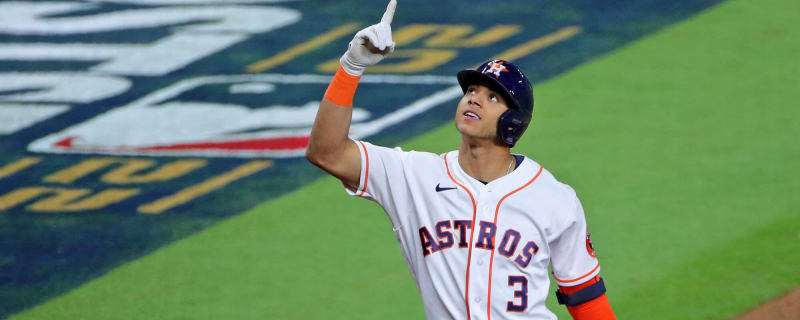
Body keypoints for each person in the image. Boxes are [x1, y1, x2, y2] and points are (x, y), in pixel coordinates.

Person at [306, 1, 616, 319]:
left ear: (513, 123)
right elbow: (326, 152)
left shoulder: (554, 199)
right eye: (471, 90)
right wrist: (351, 67)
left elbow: (585, 297)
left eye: (492, 97)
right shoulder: (413, 176)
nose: (474, 98)